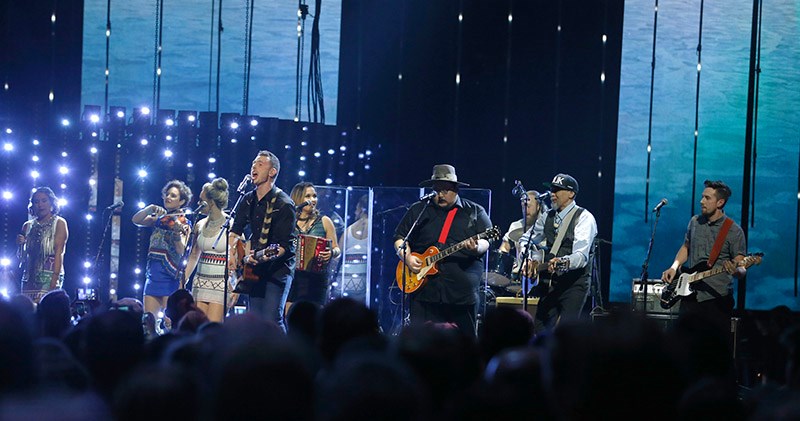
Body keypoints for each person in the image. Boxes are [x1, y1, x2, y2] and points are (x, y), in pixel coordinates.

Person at [394, 164, 492, 338]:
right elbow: (400, 238)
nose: (440, 194)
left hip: (461, 293)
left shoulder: (475, 211)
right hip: (424, 292)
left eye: (445, 190)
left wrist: (476, 247)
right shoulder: (419, 209)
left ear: (455, 189)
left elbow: (487, 240)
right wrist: (407, 257)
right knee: (421, 343)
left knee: (465, 344)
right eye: (437, 190)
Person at [661, 179, 746, 332]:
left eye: (707, 198)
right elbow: (686, 246)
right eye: (702, 197)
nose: (701, 201)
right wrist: (674, 267)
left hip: (716, 301)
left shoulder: (734, 230)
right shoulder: (694, 222)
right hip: (690, 298)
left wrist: (736, 271)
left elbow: (741, 267)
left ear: (720, 203)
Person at [520, 173, 597, 333]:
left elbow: (581, 256)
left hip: (574, 283)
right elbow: (526, 239)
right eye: (551, 190)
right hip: (550, 283)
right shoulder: (547, 216)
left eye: (557, 190)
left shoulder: (584, 217)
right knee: (540, 328)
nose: (552, 194)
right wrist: (527, 258)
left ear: (571, 194)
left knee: (564, 332)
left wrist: (564, 262)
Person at [228, 150, 296, 331]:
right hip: (255, 267)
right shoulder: (248, 199)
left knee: (272, 319)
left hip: (278, 269)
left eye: (259, 164)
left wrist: (259, 257)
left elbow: (283, 246)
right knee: (255, 321)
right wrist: (233, 254)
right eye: (253, 164)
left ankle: (286, 357)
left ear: (272, 172)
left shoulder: (284, 204)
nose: (253, 167)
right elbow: (235, 230)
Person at [132, 180, 193, 316]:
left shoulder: (185, 223)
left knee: (170, 322)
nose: (168, 198)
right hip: (153, 276)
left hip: (170, 277)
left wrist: (177, 233)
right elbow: (136, 220)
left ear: (182, 202)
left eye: (173, 196)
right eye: (167, 194)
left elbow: (181, 251)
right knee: (148, 322)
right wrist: (150, 209)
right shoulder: (160, 219)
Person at [184, 178, 235, 323]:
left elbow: (237, 258)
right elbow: (194, 255)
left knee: (213, 329)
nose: (199, 204)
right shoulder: (199, 225)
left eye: (201, 200)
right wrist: (183, 280)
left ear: (211, 201)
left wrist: (235, 287)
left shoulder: (231, 225)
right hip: (200, 283)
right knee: (198, 328)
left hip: (221, 284)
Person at [286, 182, 340, 311]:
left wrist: (331, 253)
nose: (313, 200)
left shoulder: (325, 221)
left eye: (314, 196)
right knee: (290, 317)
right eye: (308, 196)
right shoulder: (289, 223)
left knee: (315, 320)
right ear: (298, 199)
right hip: (294, 277)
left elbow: (337, 249)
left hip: (317, 278)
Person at [17, 187, 68, 304]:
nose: (40, 205)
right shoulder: (27, 225)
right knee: (28, 312)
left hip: (50, 276)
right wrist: (20, 245)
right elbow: (21, 258)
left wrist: (54, 282)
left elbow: (59, 253)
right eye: (36, 201)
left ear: (51, 202)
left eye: (44, 201)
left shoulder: (59, 223)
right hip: (29, 277)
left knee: (46, 309)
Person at [339, 194, 370, 303]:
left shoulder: (348, 230)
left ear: (361, 208)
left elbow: (337, 256)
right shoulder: (374, 229)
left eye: (357, 208)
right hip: (364, 283)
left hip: (344, 283)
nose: (355, 211)